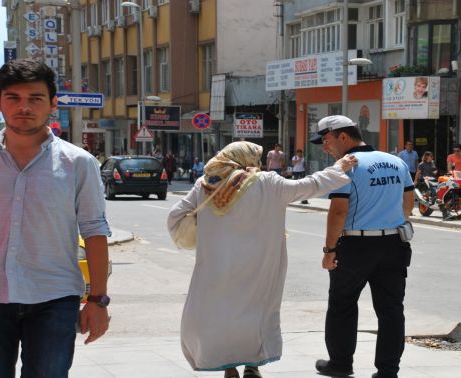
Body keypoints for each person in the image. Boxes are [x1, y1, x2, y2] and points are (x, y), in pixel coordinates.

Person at [0, 58, 111, 377]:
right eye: (14, 98)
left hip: (54, 298)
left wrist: (98, 300)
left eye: (35, 98)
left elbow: (95, 231)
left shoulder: (79, 163)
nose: (24, 107)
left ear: (52, 103)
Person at [168, 141, 357, 378]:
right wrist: (337, 168)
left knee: (222, 314)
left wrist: (205, 231)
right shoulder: (267, 182)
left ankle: (229, 368)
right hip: (260, 265)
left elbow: (175, 216)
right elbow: (309, 185)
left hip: (217, 267)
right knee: (256, 313)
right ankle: (252, 365)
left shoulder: (205, 184)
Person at [310, 115, 414, 378]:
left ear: (343, 136)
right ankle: (388, 371)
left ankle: (341, 365)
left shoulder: (347, 166)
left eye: (326, 140)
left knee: (342, 305)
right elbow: (408, 204)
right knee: (391, 310)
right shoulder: (396, 161)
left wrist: (329, 250)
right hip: (394, 243)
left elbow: (338, 213)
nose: (325, 147)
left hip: (355, 246)